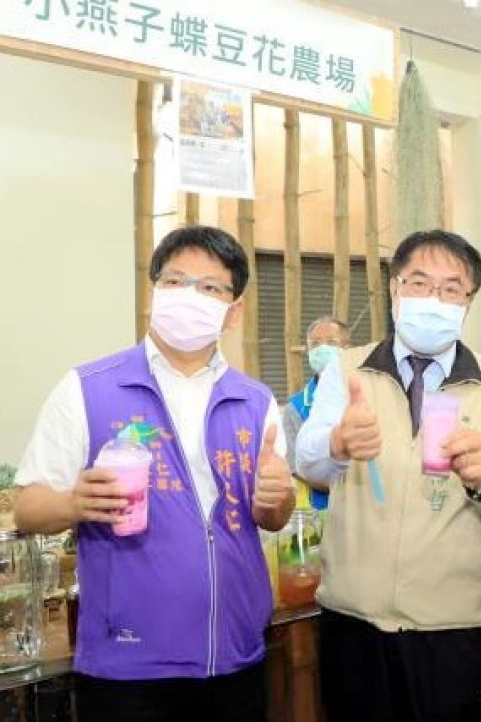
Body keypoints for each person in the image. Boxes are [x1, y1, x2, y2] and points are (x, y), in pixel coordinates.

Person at [14, 226, 294, 722]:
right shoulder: (87, 388)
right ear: (154, 292)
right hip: (128, 667)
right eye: (176, 281)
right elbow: (27, 508)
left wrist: (279, 499)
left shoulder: (256, 401)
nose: (189, 296)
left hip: (234, 656)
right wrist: (73, 504)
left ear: (233, 311)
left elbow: (272, 518)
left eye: (209, 287)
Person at [295, 229, 481, 722]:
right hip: (354, 620)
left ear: (468, 301)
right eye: (419, 283)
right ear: (394, 289)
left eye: (451, 289)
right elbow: (307, 460)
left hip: (451, 628)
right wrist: (337, 443)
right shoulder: (346, 370)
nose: (434, 299)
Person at [283, 316, 351, 511]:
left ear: (347, 348)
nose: (322, 349)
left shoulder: (369, 390)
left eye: (331, 342)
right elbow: (296, 467)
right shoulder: (295, 408)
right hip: (321, 511)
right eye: (315, 344)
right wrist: (346, 491)